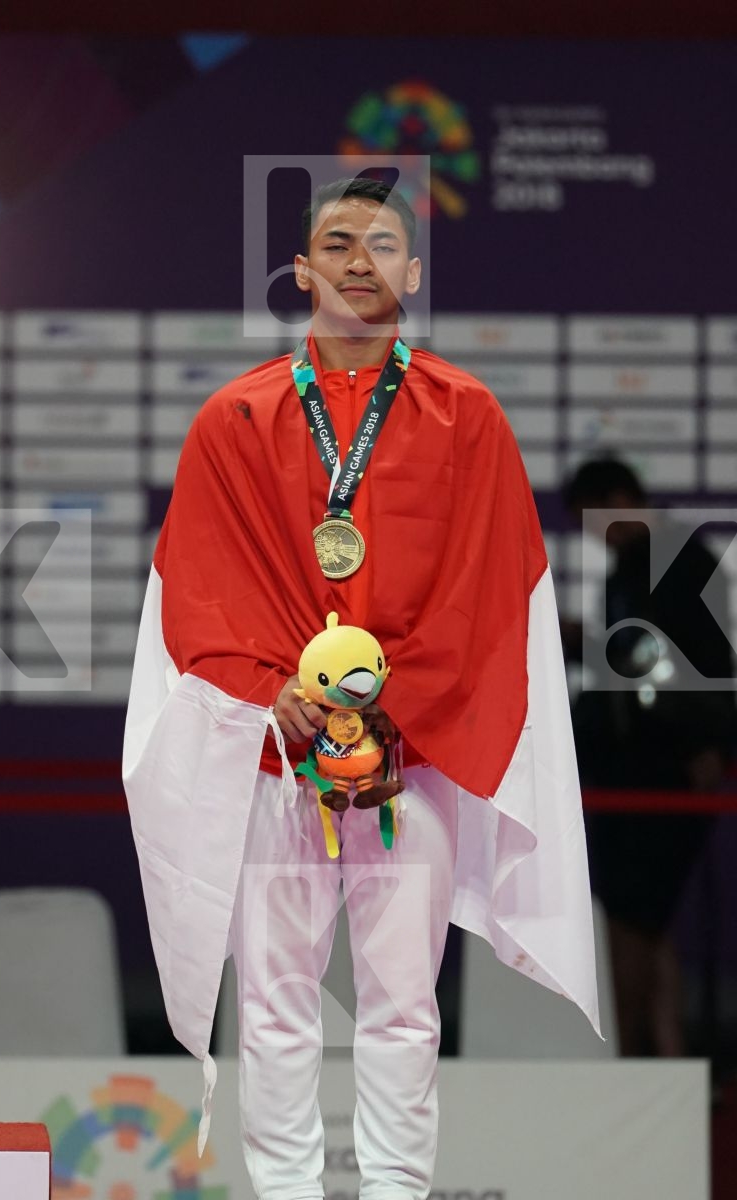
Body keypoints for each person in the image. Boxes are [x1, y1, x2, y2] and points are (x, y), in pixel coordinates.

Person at [123, 176, 599, 1200]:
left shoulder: (466, 416)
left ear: (411, 274)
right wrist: (268, 697)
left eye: (379, 245)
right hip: (276, 758)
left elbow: (490, 596)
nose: (356, 261)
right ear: (299, 272)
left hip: (410, 762)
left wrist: (394, 716)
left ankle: (392, 1192)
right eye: (334, 243)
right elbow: (196, 593)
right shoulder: (233, 417)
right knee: (275, 1003)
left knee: (401, 1003)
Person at [563, 457, 736, 1055]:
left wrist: (705, 746)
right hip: (629, 765)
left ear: (620, 497)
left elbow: (706, 669)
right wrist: (582, 642)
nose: (591, 533)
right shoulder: (630, 569)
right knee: (645, 919)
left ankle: (632, 1055)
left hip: (663, 770)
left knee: (632, 922)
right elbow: (633, 665)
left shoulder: (680, 560)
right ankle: (664, 1059)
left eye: (592, 517)